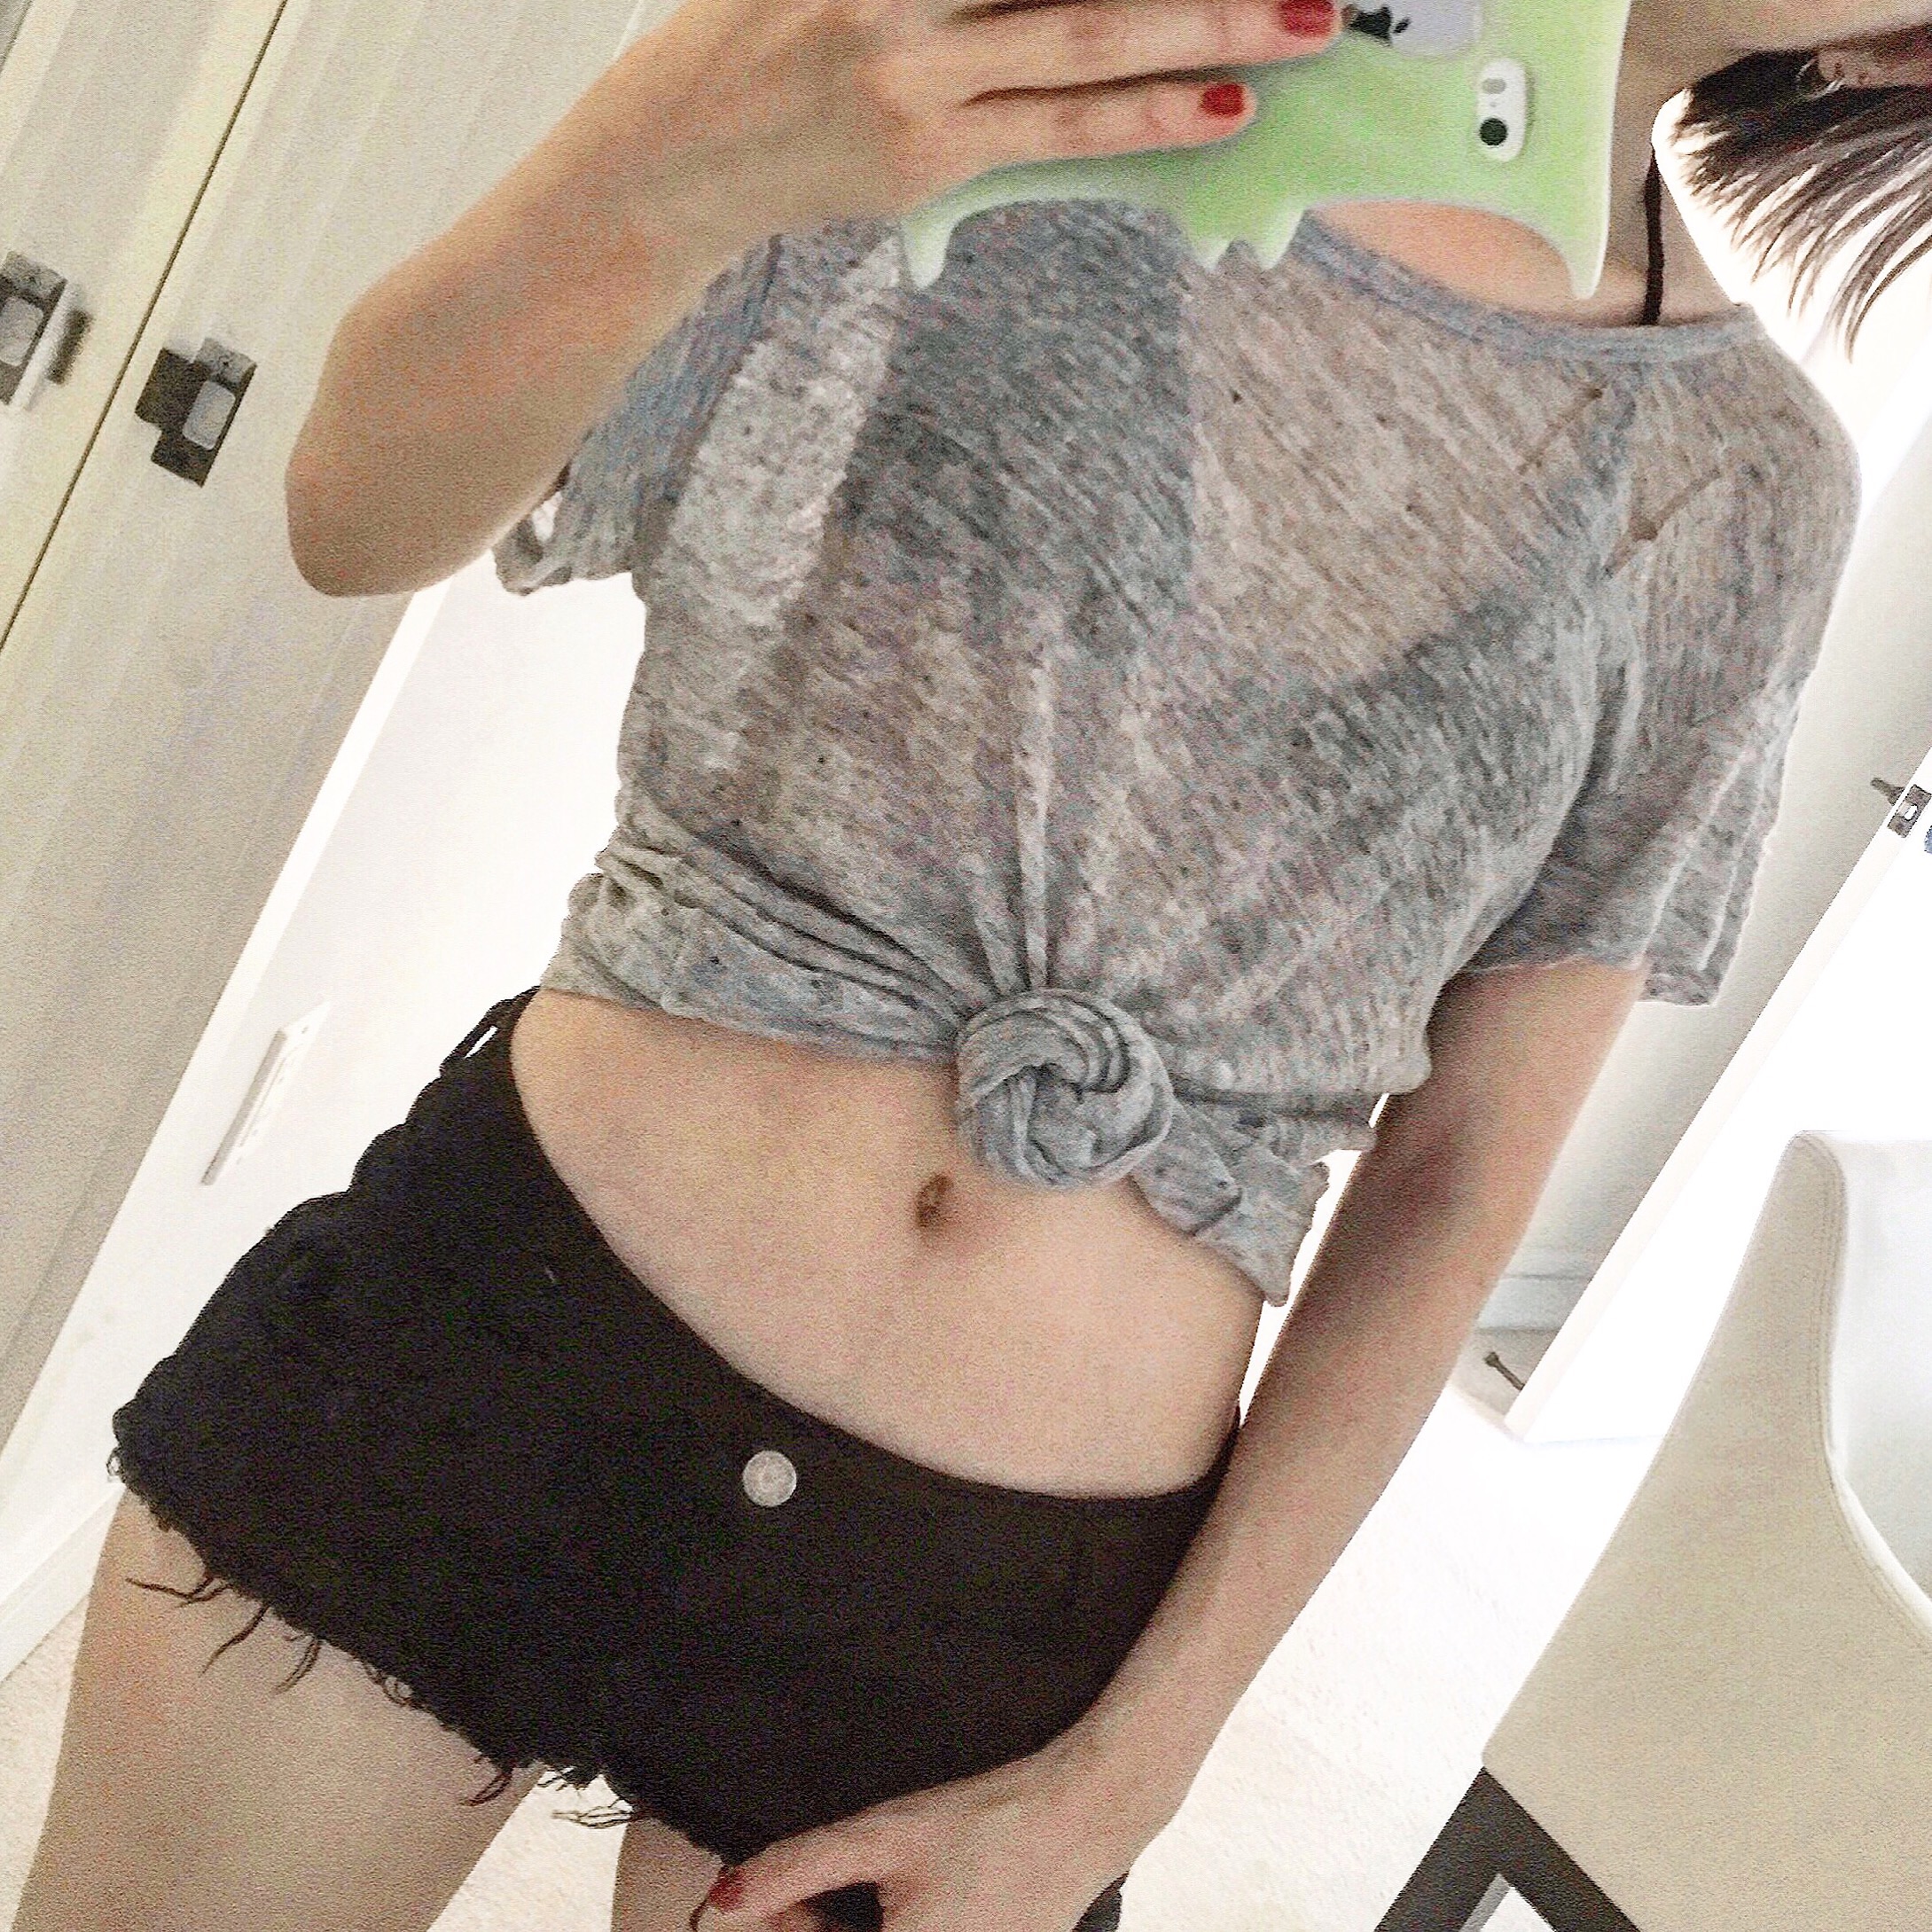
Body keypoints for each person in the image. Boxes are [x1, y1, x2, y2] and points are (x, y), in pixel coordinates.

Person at [17, 4, 1932, 1929]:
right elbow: (350, 513)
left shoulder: (1740, 486)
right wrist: (673, 133)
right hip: (492, 1334)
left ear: (1895, 48)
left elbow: (1455, 1190)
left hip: (986, 1623)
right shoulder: (984, 55)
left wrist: (1130, 1772)